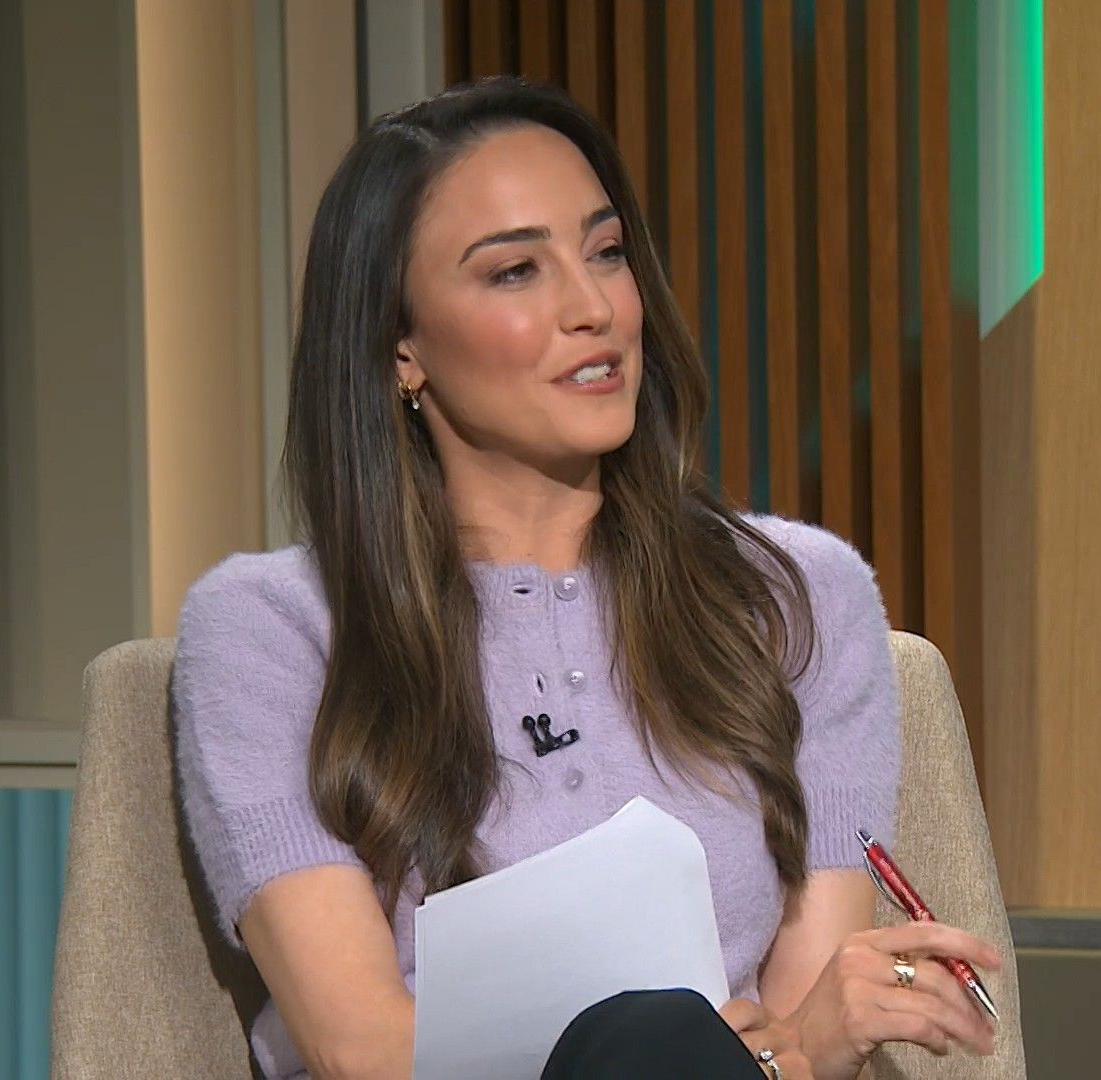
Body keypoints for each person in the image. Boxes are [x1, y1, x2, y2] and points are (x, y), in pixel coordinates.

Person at [171, 75, 1002, 1080]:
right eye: (516, 272)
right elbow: (361, 1048)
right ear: (401, 348)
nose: (594, 307)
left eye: (606, 253)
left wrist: (795, 1042)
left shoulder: (797, 598)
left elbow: (796, 1029)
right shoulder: (271, 629)